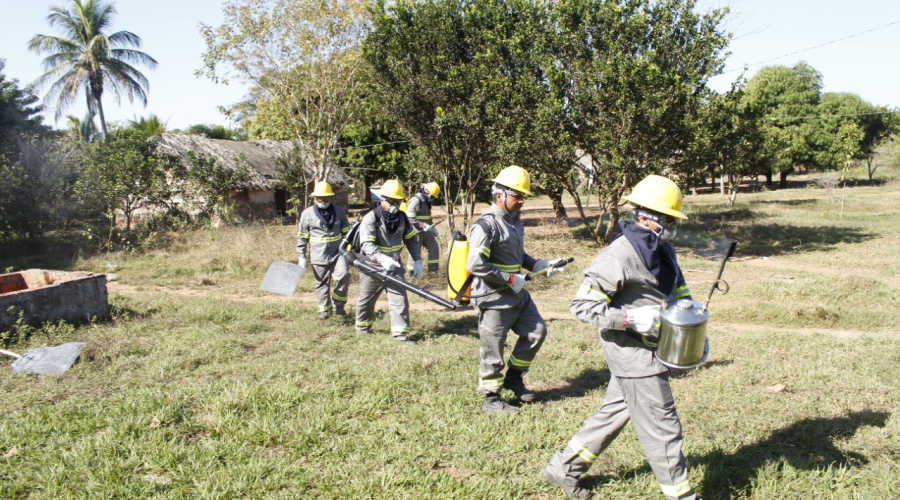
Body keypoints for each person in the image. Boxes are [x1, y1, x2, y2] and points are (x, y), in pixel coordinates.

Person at [543, 174, 696, 500]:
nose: (672, 226)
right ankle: (682, 495)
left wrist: (693, 322)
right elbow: (581, 306)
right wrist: (628, 318)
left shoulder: (662, 249)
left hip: (655, 347)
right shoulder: (619, 256)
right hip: (633, 352)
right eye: (668, 219)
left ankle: (563, 468)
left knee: (615, 411)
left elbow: (678, 289)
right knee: (663, 428)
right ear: (648, 217)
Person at [466, 165, 567, 413]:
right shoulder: (486, 226)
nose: (522, 200)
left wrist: (539, 264)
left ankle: (514, 378)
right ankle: (491, 399)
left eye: (523, 196)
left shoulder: (514, 222)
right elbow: (476, 264)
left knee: (537, 332)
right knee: (493, 349)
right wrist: (510, 279)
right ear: (500, 195)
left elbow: (517, 255)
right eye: (517, 196)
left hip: (518, 295)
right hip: (494, 298)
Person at [355, 179, 424, 344]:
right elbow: (366, 244)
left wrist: (418, 260)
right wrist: (380, 258)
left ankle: (401, 336)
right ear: (382, 200)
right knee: (367, 300)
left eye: (398, 201)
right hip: (372, 267)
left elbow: (411, 240)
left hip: (395, 266)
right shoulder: (372, 218)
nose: (395, 205)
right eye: (391, 201)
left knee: (400, 300)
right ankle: (363, 328)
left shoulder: (402, 218)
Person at [296, 181, 351, 319]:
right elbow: (302, 236)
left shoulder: (339, 211)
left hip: (338, 254)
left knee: (343, 276)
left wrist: (349, 251)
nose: (324, 201)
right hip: (318, 255)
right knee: (321, 283)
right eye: (320, 198)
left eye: (326, 198)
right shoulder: (307, 214)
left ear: (331, 197)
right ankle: (324, 310)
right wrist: (301, 256)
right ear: (314, 198)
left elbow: (347, 233)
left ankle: (338, 306)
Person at [405, 182, 442, 274]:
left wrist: (432, 226)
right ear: (426, 192)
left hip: (426, 231)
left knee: (434, 247)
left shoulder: (426, 201)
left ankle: (433, 271)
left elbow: (427, 217)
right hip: (416, 232)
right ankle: (412, 272)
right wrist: (423, 225)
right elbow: (409, 217)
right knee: (415, 251)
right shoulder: (416, 200)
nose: (432, 199)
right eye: (432, 196)